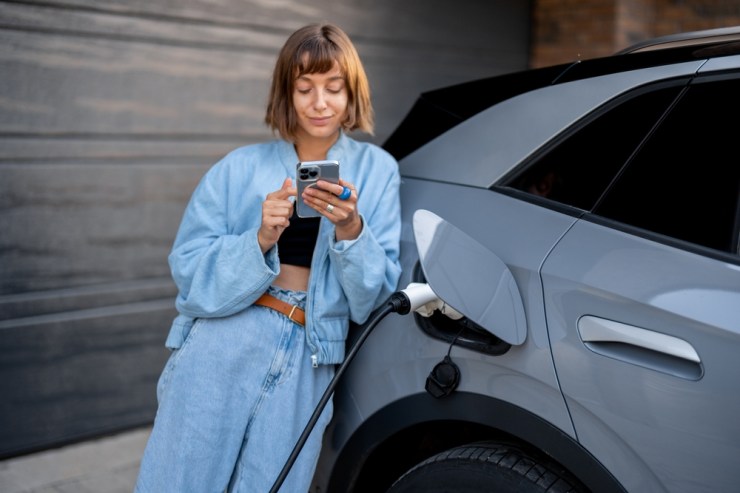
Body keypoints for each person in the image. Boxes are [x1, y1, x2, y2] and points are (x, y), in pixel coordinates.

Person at [134, 23, 402, 493]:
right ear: (286, 93)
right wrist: (258, 238)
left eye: (334, 88)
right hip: (224, 340)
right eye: (305, 88)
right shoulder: (238, 167)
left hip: (310, 355)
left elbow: (372, 299)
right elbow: (189, 271)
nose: (320, 103)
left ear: (351, 92)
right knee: (178, 481)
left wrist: (350, 229)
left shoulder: (379, 173)